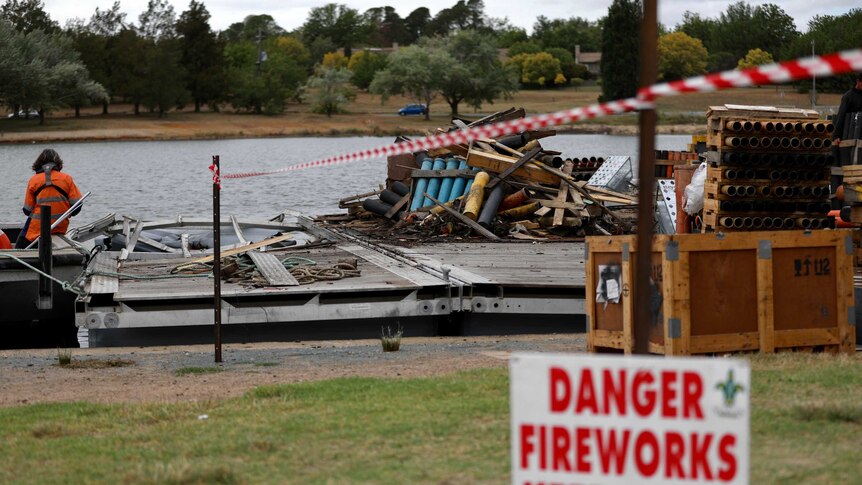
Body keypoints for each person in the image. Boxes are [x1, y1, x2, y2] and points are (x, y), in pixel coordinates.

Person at [15, 149, 83, 248]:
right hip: (59, 226)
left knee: (19, 247)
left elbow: (27, 210)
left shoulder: (34, 180)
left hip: (37, 230)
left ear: (39, 163)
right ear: (58, 163)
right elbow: (77, 208)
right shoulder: (67, 179)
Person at [833, 72, 862, 145]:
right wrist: (836, 136)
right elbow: (841, 116)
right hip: (851, 134)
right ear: (858, 81)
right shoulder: (848, 96)